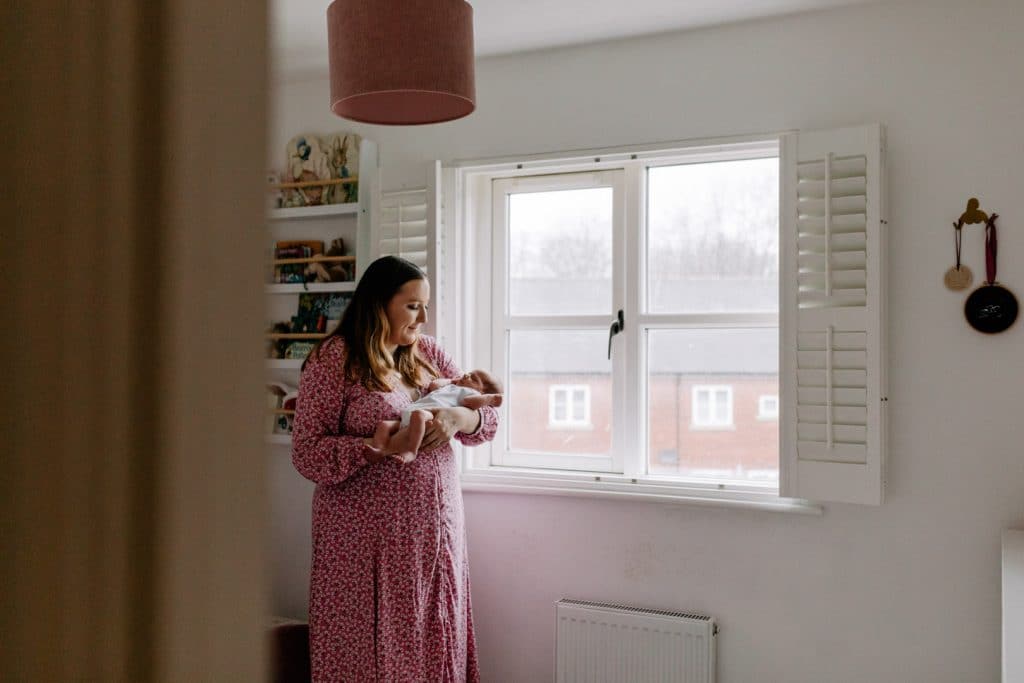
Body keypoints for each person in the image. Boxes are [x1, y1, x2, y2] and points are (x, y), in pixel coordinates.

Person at [291, 256, 499, 682]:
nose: (423, 317)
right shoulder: (334, 361)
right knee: (370, 654)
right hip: (363, 548)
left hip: (432, 538)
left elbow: (485, 422)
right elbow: (307, 453)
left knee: (434, 643)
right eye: (412, 306)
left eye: (425, 306)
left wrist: (461, 419)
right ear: (378, 304)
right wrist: (374, 448)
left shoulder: (428, 354)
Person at [370, 369, 504, 463]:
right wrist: (452, 380)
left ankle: (411, 451)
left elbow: (470, 403)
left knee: (419, 416)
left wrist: (488, 399)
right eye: (468, 373)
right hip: (409, 415)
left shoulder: (469, 393)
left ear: (481, 391)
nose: (466, 375)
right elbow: (434, 385)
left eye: (473, 378)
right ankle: (379, 450)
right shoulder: (452, 386)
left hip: (429, 414)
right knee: (384, 425)